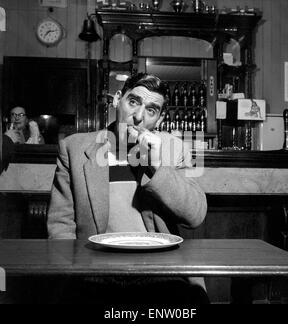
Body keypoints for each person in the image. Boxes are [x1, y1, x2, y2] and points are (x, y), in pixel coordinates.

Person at [47, 73, 208, 305]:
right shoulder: (74, 148)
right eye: (133, 102)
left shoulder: (174, 149)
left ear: (160, 119)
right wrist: (73, 273)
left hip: (161, 275)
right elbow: (61, 226)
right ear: (117, 100)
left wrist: (157, 165)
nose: (139, 117)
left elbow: (195, 215)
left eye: (151, 110)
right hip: (95, 275)